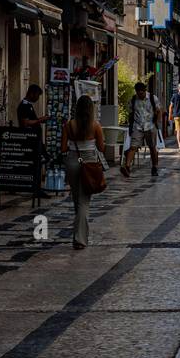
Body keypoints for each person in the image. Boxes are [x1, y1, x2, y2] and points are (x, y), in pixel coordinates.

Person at [62, 94, 106, 251]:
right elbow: (101, 148)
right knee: (84, 202)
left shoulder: (69, 125)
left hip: (73, 162)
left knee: (77, 199)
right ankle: (80, 239)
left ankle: (78, 234)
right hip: (89, 163)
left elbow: (63, 149)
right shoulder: (95, 126)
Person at [17, 83, 51, 197]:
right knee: (38, 161)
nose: (37, 98)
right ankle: (33, 186)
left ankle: (35, 186)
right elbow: (25, 123)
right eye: (37, 95)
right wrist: (40, 120)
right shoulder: (24, 106)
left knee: (44, 159)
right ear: (32, 93)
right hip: (30, 140)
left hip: (35, 140)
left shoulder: (29, 105)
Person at [121, 80, 161, 178]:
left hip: (150, 126)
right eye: (138, 92)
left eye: (141, 92)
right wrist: (130, 126)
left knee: (152, 148)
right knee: (133, 147)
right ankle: (127, 167)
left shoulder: (152, 98)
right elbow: (131, 113)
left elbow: (158, 110)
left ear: (145, 90)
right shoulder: (134, 99)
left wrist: (157, 123)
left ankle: (154, 167)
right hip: (137, 126)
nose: (140, 94)